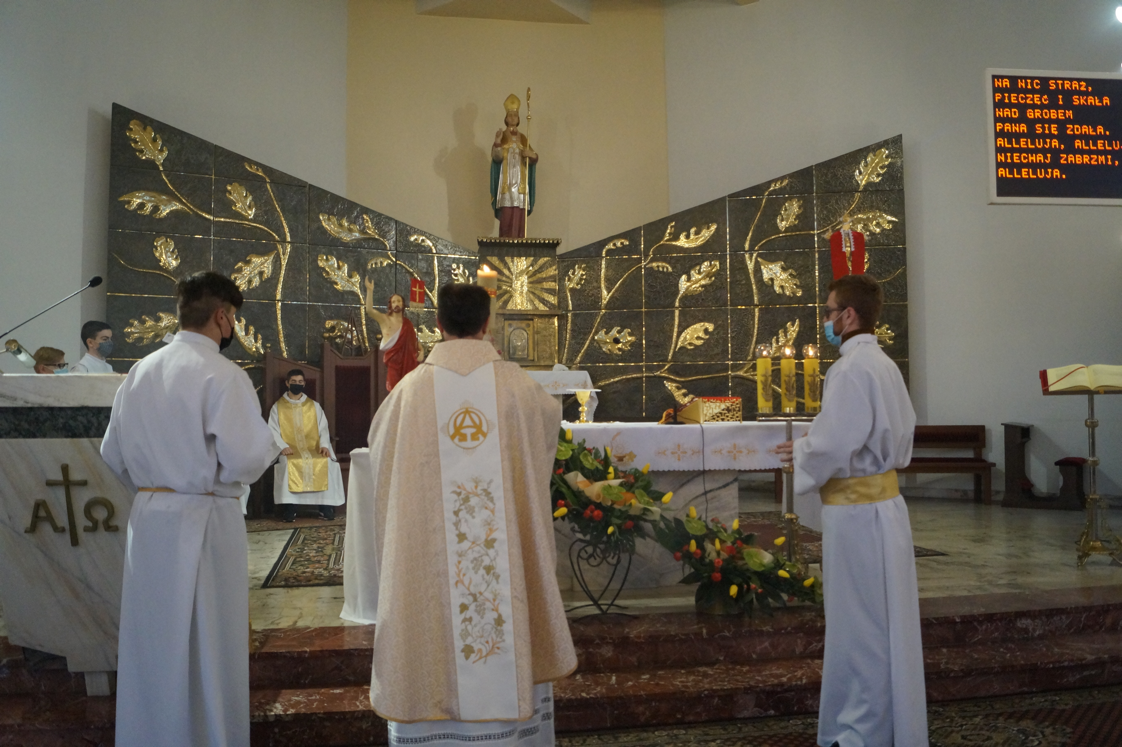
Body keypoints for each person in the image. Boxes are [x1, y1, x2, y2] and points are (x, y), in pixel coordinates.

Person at [363, 282, 576, 746]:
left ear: (438, 324)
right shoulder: (520, 387)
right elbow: (547, 431)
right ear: (487, 323)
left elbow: (380, 452)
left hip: (430, 557)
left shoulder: (408, 393)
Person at [101, 271, 280, 747]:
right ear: (223, 316)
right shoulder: (222, 374)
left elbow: (111, 454)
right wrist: (268, 448)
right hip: (204, 522)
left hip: (149, 519)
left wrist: (156, 492)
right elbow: (245, 459)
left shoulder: (140, 372)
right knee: (208, 644)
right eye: (232, 318)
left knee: (154, 643)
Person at [776, 274, 927, 747]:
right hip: (886, 508)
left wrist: (802, 450)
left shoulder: (848, 370)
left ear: (848, 315)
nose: (825, 321)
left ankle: (861, 731)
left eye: (828, 312)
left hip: (857, 515)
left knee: (858, 626)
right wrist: (815, 444)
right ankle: (887, 725)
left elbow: (837, 442)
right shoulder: (884, 365)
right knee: (886, 622)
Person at [269, 368, 345, 522]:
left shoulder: (314, 406)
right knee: (287, 464)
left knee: (325, 462)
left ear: (304, 383)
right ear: (287, 383)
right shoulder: (278, 407)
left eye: (300, 382)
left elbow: (323, 428)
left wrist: (324, 445)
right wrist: (282, 446)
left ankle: (325, 507)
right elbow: (272, 430)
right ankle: (290, 508)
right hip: (290, 449)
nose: (297, 384)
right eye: (294, 382)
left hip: (313, 448)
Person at [490, 93, 537, 238]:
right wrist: (497, 141)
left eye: (515, 115)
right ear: (506, 118)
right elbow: (496, 157)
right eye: (510, 115)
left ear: (518, 119)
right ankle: (505, 243)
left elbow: (533, 157)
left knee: (519, 215)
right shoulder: (502, 135)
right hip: (507, 181)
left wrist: (530, 154)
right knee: (507, 216)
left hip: (520, 182)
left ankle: (519, 242)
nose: (512, 118)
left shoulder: (523, 137)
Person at [363, 284, 421, 391]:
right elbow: (369, 310)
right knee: (395, 391)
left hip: (407, 363)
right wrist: (370, 290)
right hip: (393, 363)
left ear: (403, 304)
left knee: (407, 391)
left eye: (399, 301)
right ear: (390, 305)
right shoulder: (384, 319)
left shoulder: (408, 324)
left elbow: (414, 343)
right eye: (393, 302)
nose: (396, 304)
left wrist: (421, 352)